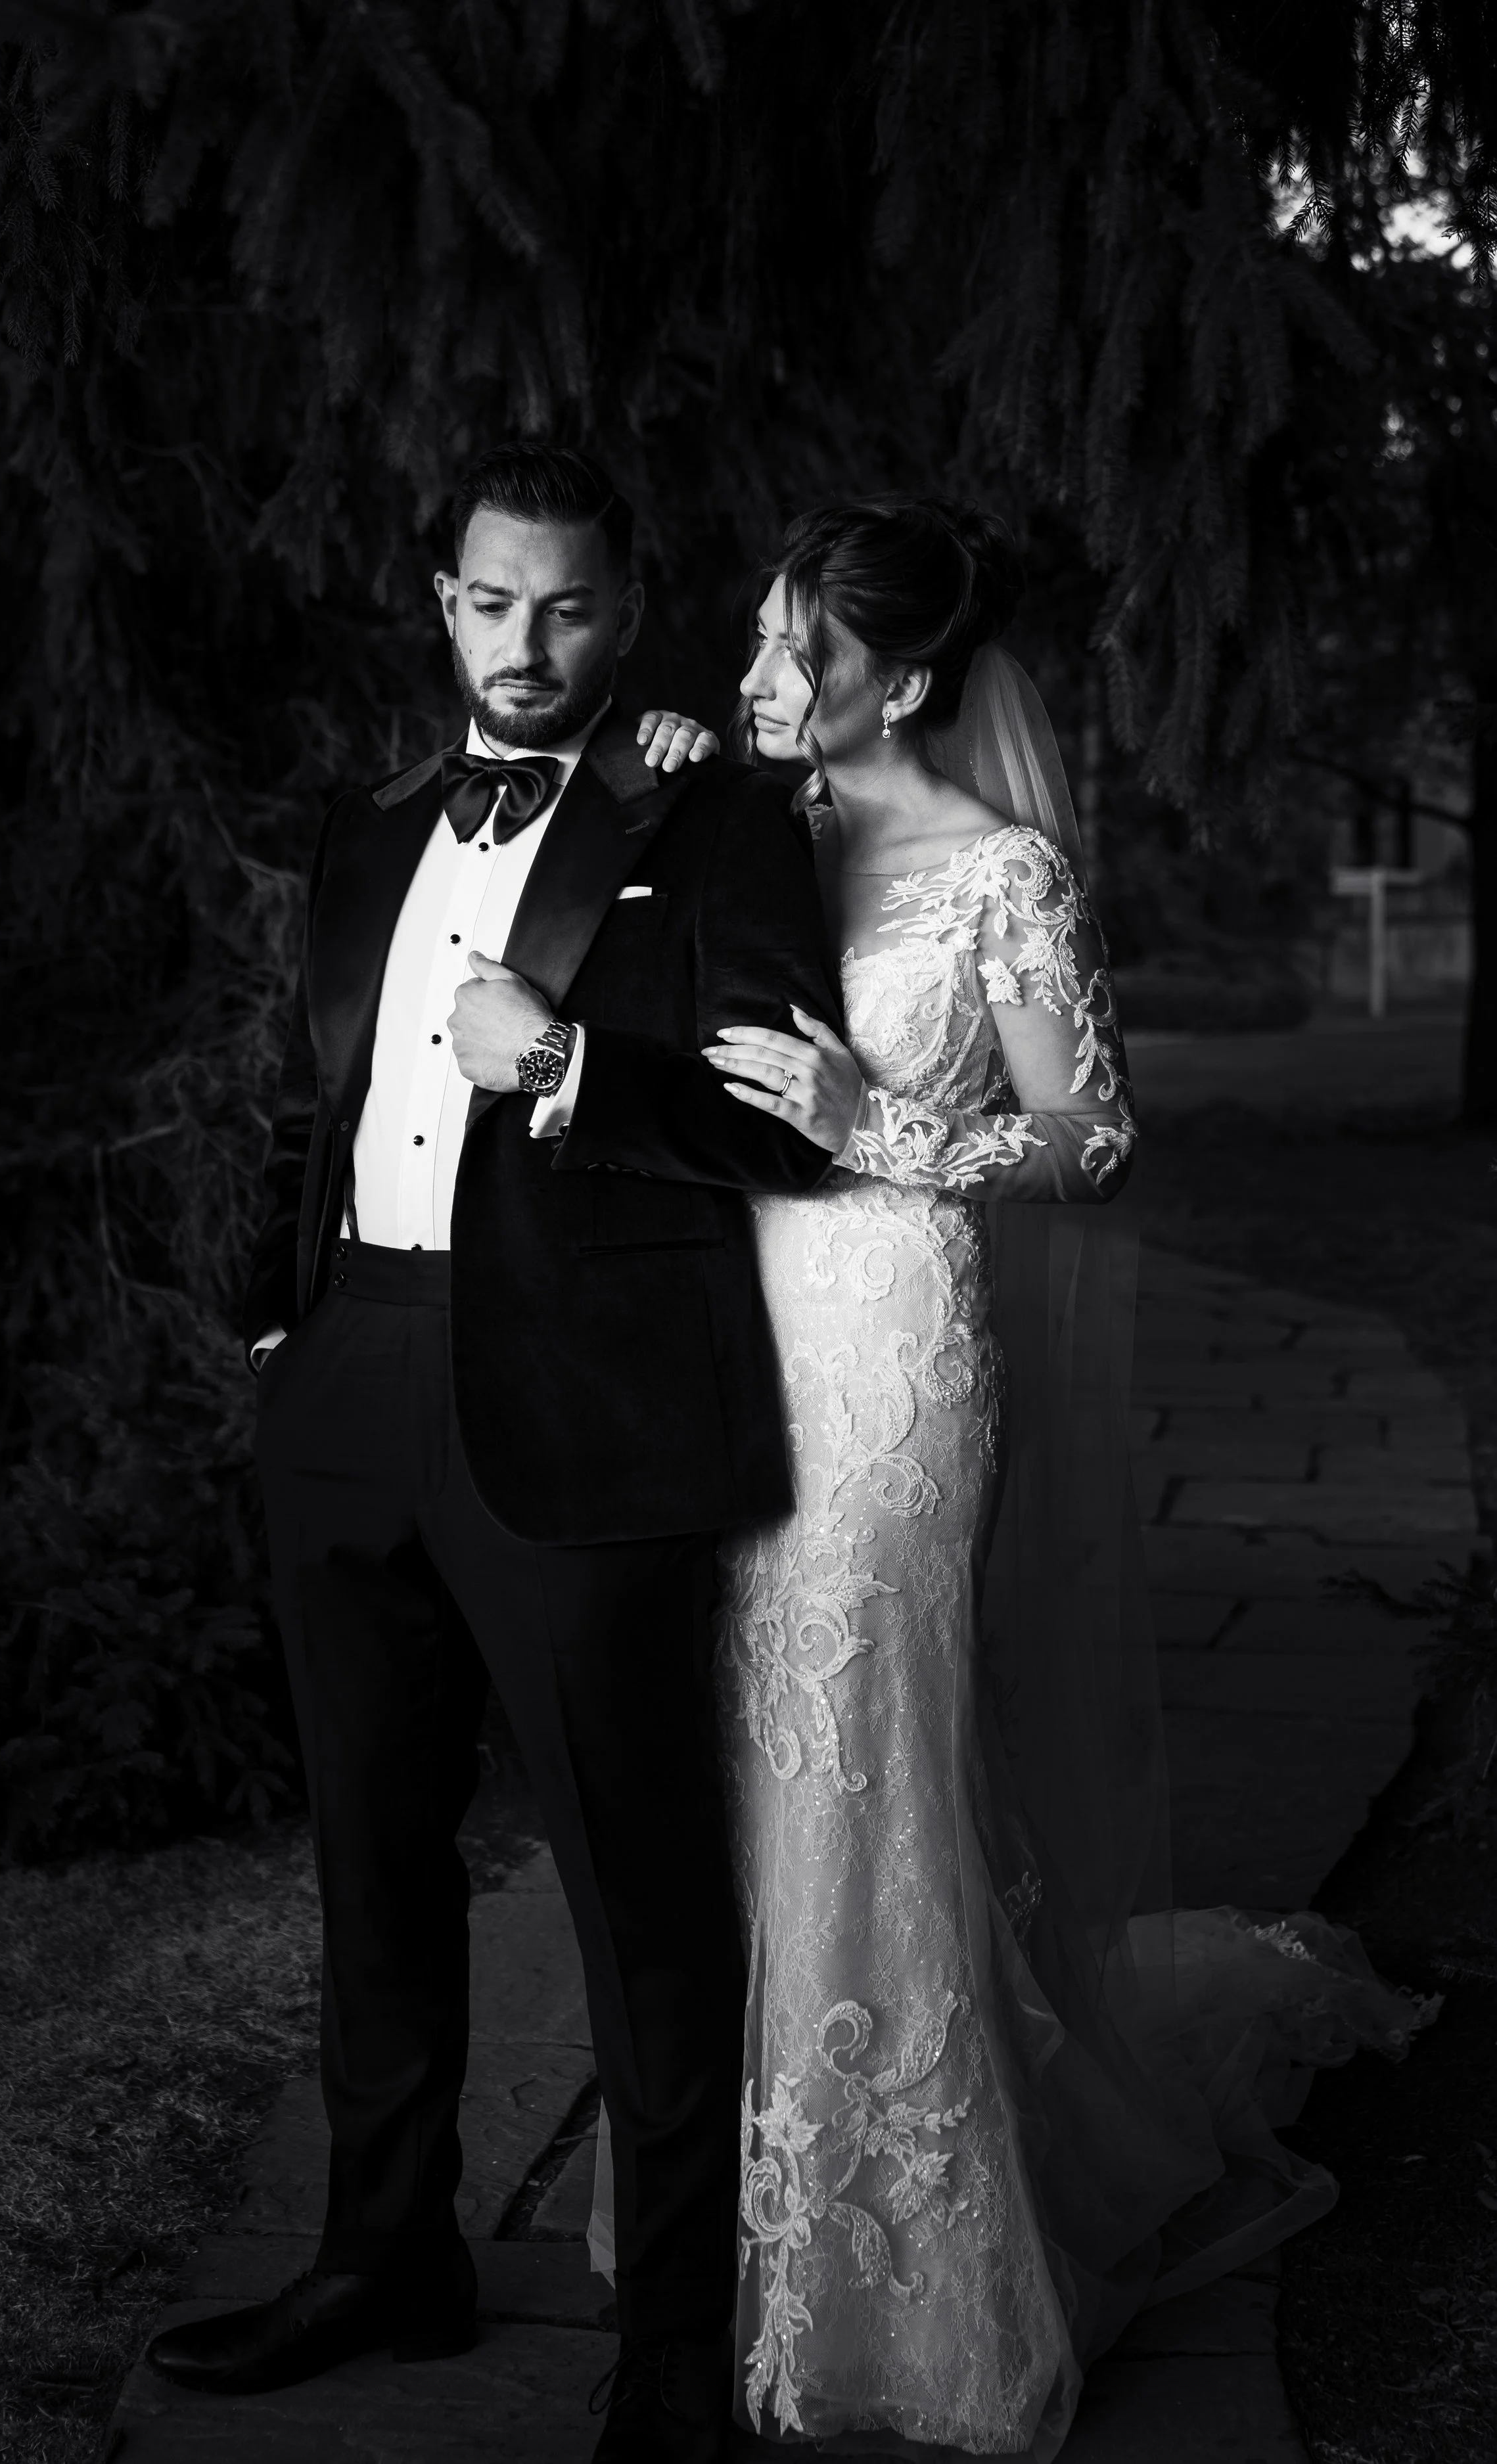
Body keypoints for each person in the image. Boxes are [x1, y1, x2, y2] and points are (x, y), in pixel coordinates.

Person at [624, 496, 1435, 2457]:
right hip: (728, 1336)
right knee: (736, 1770)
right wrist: (644, 795)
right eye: (749, 640)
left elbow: (1094, 1138)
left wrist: (874, 1120)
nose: (749, 681)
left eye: (790, 654)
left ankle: (896, 2270)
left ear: (898, 680)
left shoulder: (1004, 871)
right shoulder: (752, 821)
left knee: (863, 1770)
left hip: (894, 1345)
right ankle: (720, 2220)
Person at [143, 442, 841, 2464]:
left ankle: (674, 2366)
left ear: (625, 613)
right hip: (350, 1384)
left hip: (575, 1407)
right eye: (488, 601)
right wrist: (286, 1339)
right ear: (439, 601)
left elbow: (784, 1122)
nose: (524, 644)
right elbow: (315, 1093)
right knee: (371, 1860)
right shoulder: (367, 828)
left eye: (566, 607)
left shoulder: (714, 824)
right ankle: (384, 2252)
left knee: (644, 1903)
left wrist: (569, 1058)